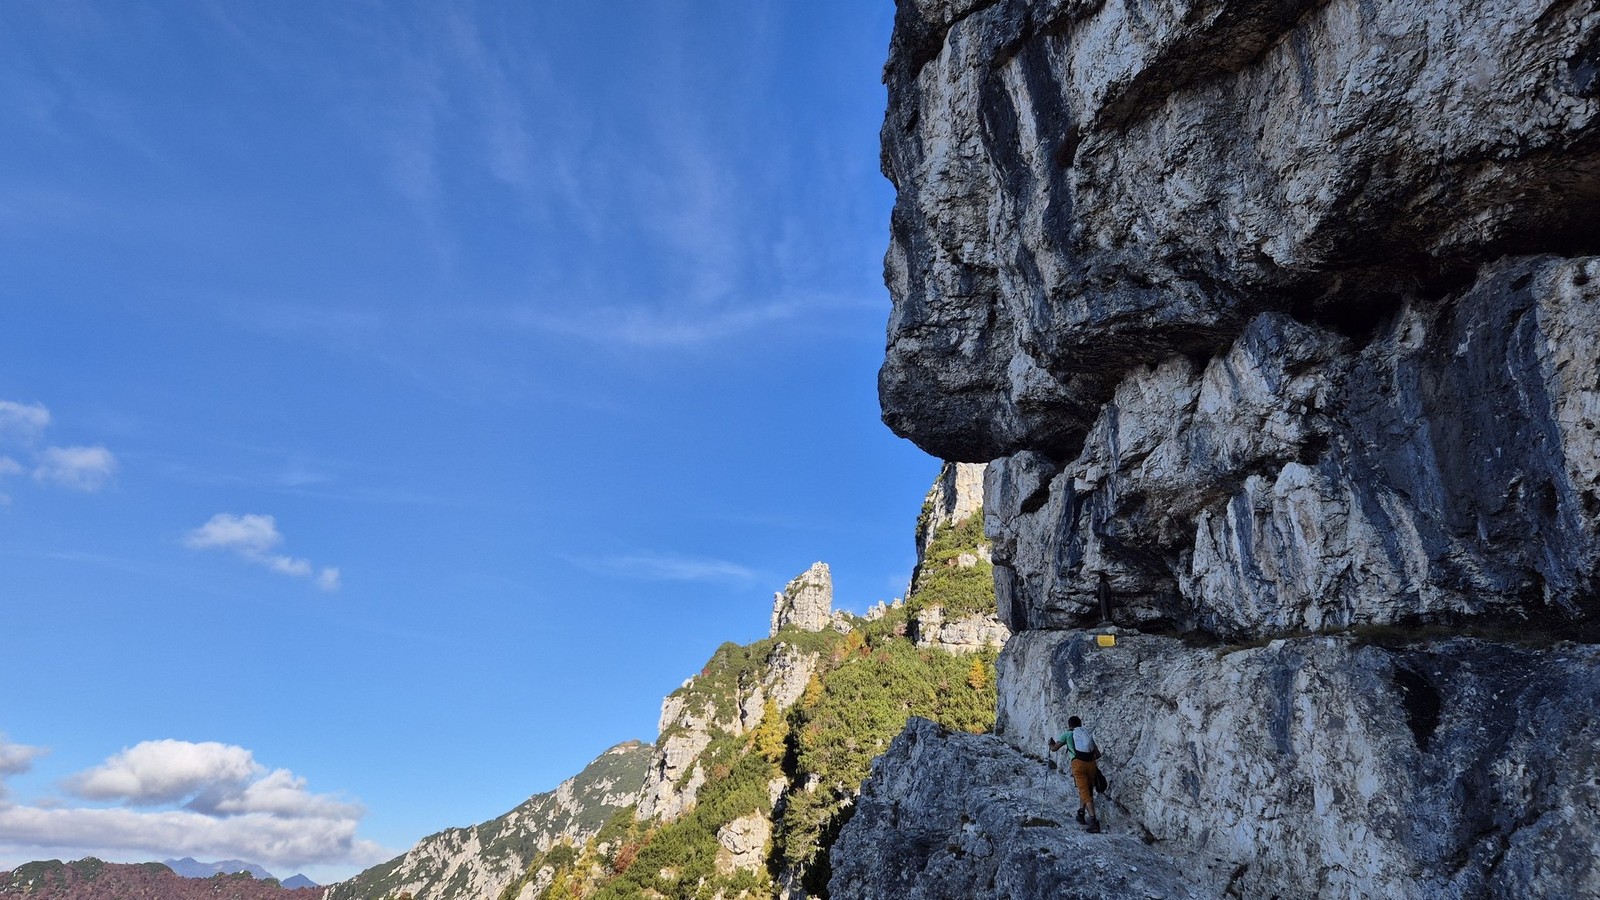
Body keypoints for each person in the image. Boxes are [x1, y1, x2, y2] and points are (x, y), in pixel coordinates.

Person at [1048, 715, 1100, 833]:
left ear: (1069, 725)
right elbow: (1098, 754)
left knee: (1084, 791)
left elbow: (1054, 748)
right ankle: (1081, 813)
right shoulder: (1086, 734)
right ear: (1080, 724)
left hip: (1078, 764)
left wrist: (1050, 744)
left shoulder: (1067, 734)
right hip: (1091, 764)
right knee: (1087, 789)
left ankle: (1094, 822)